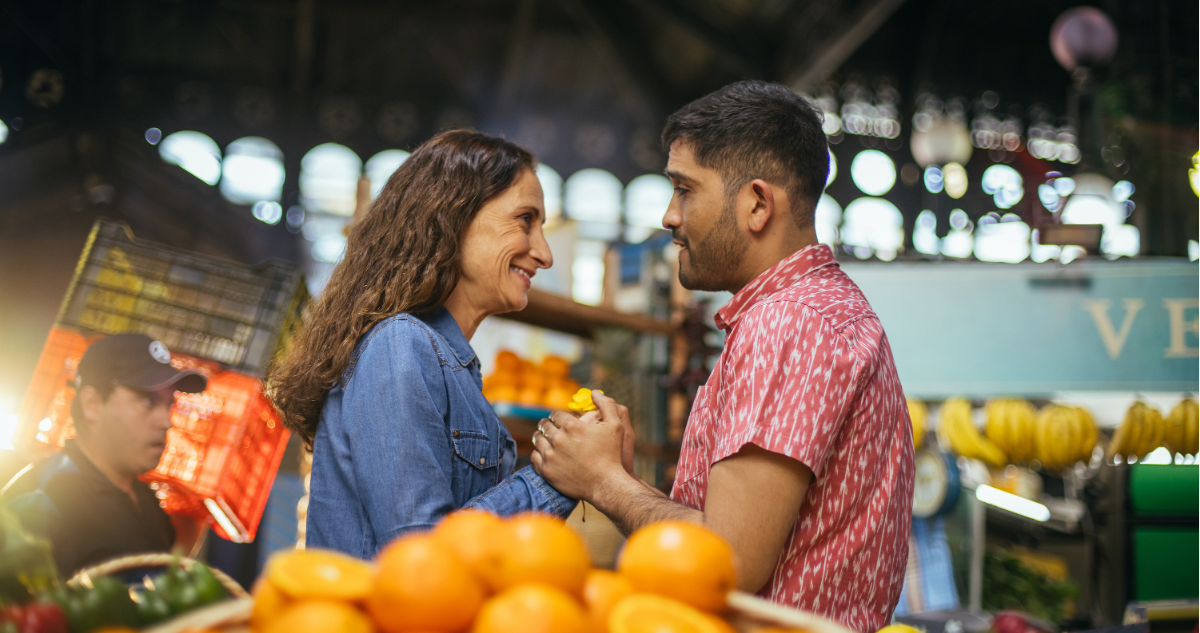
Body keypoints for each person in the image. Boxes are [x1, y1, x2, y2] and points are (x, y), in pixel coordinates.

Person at [530, 81, 915, 632]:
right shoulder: (820, 310)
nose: (668, 216)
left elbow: (728, 561)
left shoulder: (790, 323)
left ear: (757, 203)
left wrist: (605, 483)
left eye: (684, 190)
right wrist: (626, 479)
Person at [268, 130, 634, 560]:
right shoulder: (399, 345)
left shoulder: (446, 361)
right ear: (454, 216)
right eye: (525, 220)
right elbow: (419, 560)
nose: (544, 253)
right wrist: (556, 477)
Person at [1, 333, 208, 577]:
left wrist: (196, 519)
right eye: (147, 401)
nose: (166, 421)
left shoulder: (144, 498)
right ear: (92, 404)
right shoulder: (42, 501)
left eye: (169, 405)